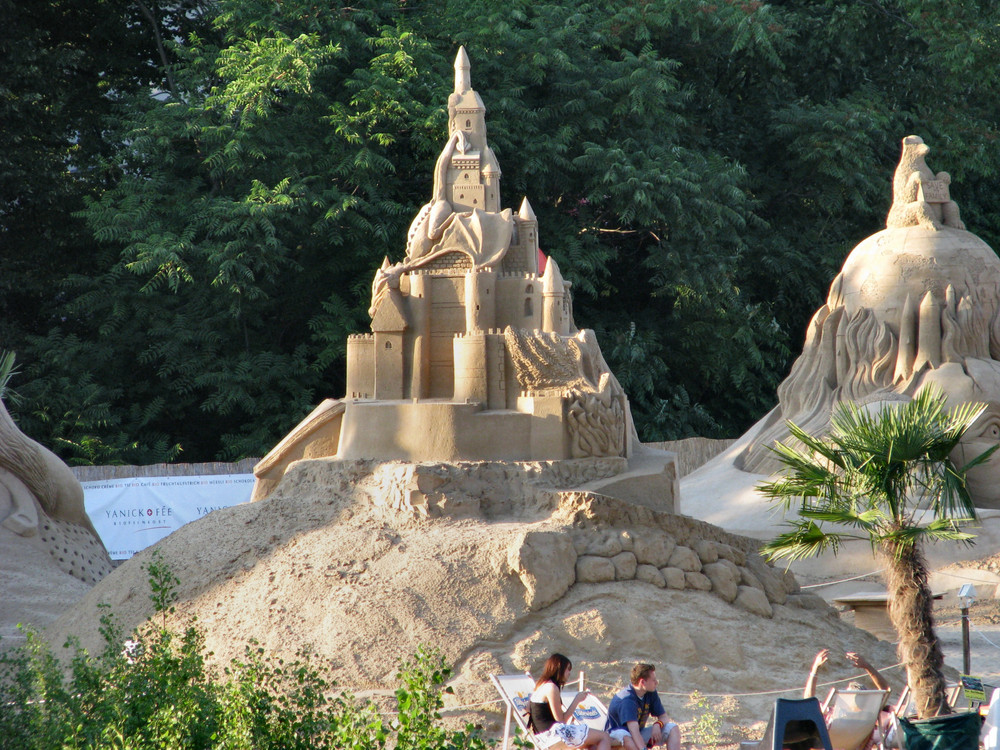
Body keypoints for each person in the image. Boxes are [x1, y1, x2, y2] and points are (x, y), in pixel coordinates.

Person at [529, 653, 612, 750]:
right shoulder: (551, 688)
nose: (569, 673)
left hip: (542, 736)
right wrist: (577, 700)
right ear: (559, 669)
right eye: (568, 669)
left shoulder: (540, 686)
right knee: (604, 737)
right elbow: (561, 720)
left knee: (592, 745)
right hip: (553, 736)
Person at [605, 663, 681, 750]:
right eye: (653, 680)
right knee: (626, 737)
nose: (657, 682)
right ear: (642, 682)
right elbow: (634, 731)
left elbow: (664, 717)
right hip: (615, 735)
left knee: (672, 728)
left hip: (637, 732)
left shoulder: (650, 692)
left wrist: (657, 724)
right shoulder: (627, 699)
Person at [804, 649, 889, 698]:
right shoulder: (870, 713)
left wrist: (815, 668)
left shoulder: (837, 714)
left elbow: (808, 700)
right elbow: (886, 689)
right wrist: (868, 667)